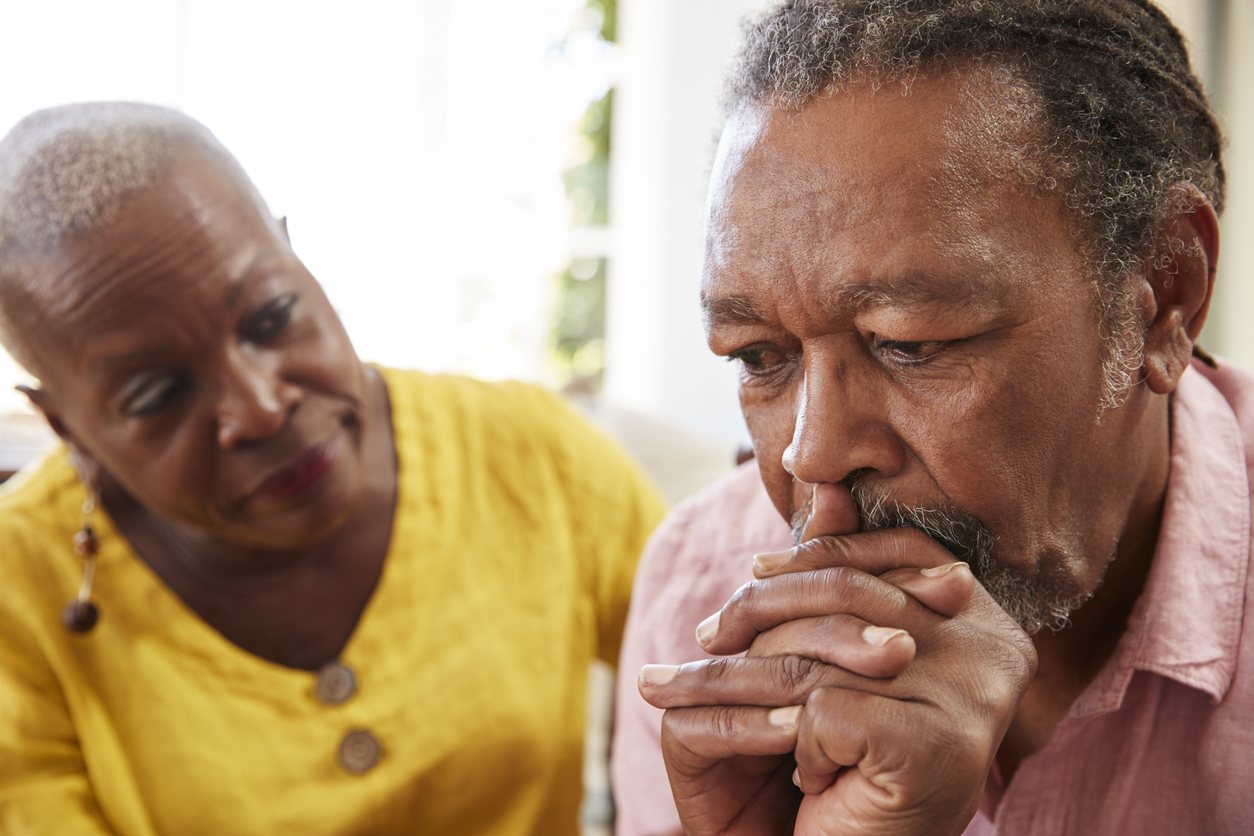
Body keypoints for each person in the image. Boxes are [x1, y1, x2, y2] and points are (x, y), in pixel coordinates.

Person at [612, 1, 1253, 834]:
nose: (812, 454)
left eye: (909, 344)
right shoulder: (698, 603)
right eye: (759, 357)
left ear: (1165, 295)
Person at [0, 102, 667, 835]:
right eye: (159, 393)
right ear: (68, 428)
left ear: (300, 264)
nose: (259, 408)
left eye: (272, 317)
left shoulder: (534, 456)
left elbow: (731, 699)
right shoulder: (16, 593)